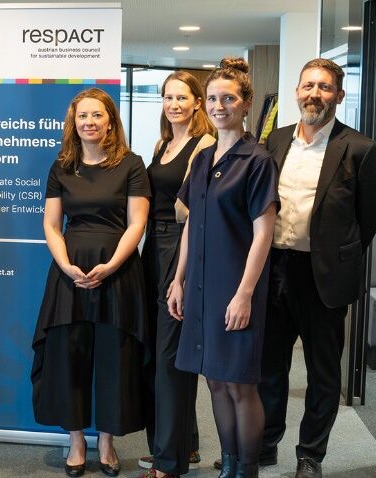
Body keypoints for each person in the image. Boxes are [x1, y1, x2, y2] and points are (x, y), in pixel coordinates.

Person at [257, 58, 376, 478]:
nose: (315, 94)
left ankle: (310, 455)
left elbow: (369, 218)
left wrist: (337, 255)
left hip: (324, 276)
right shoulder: (275, 141)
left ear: (339, 95)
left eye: (325, 87)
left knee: (323, 374)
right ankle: (265, 444)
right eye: (308, 85)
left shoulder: (361, 149)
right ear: (297, 91)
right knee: (269, 368)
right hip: (274, 268)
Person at [167, 58, 279, 478]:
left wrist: (245, 294)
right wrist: (178, 280)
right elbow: (191, 222)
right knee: (214, 380)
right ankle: (228, 465)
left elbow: (263, 233)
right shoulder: (202, 159)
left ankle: (246, 469)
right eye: (212, 98)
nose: (219, 106)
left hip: (235, 286)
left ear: (246, 103)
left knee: (239, 383)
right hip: (200, 284)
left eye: (228, 98)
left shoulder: (258, 160)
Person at [32, 87, 151, 477]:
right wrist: (65, 265)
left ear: (110, 121)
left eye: (97, 115)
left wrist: (112, 264)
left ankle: (106, 441)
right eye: (83, 116)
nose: (89, 122)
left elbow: (137, 223)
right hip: (70, 273)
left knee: (115, 358)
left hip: (118, 272)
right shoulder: (61, 167)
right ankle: (76, 441)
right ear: (74, 122)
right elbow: (52, 224)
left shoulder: (131, 164)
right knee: (70, 356)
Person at [139, 71, 216, 478]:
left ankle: (168, 462)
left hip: (179, 247)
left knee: (170, 356)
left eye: (182, 97)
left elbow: (191, 210)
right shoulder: (162, 144)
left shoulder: (204, 144)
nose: (174, 104)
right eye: (168, 97)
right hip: (152, 246)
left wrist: (181, 276)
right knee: (156, 353)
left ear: (198, 102)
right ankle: (183, 446)